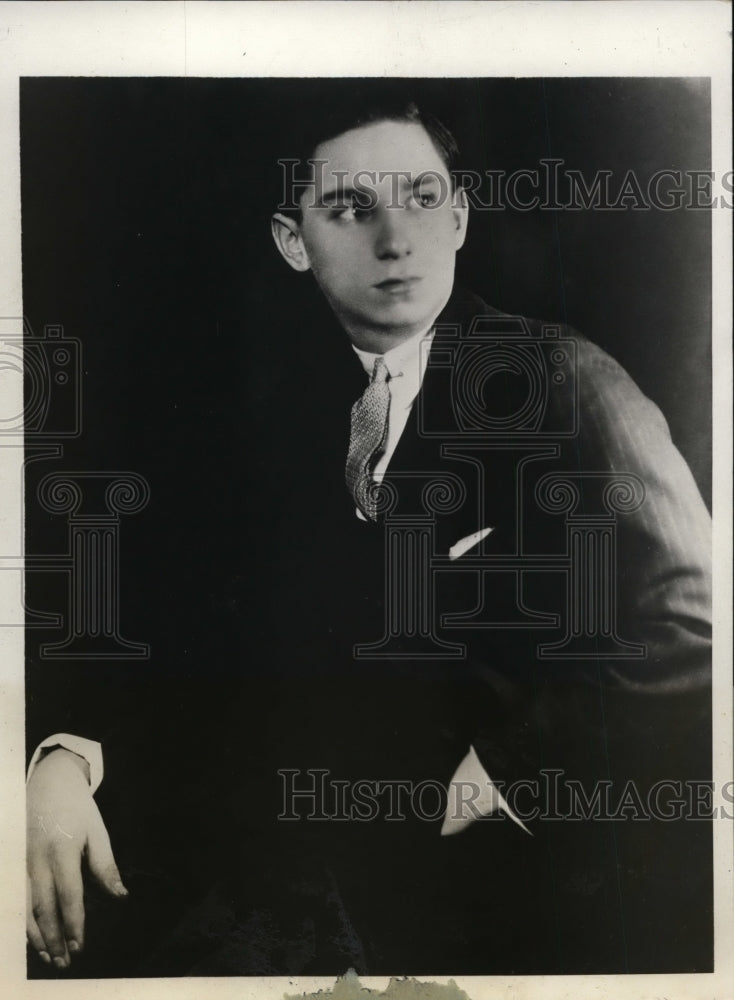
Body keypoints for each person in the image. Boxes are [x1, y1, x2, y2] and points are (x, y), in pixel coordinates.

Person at [26, 93, 712, 977]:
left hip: (525, 903)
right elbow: (171, 628)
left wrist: (501, 772)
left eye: (424, 198)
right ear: (292, 240)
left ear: (460, 218)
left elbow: (695, 626)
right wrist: (62, 761)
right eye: (352, 208)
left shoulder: (562, 381)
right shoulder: (281, 408)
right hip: (312, 896)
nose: (397, 239)